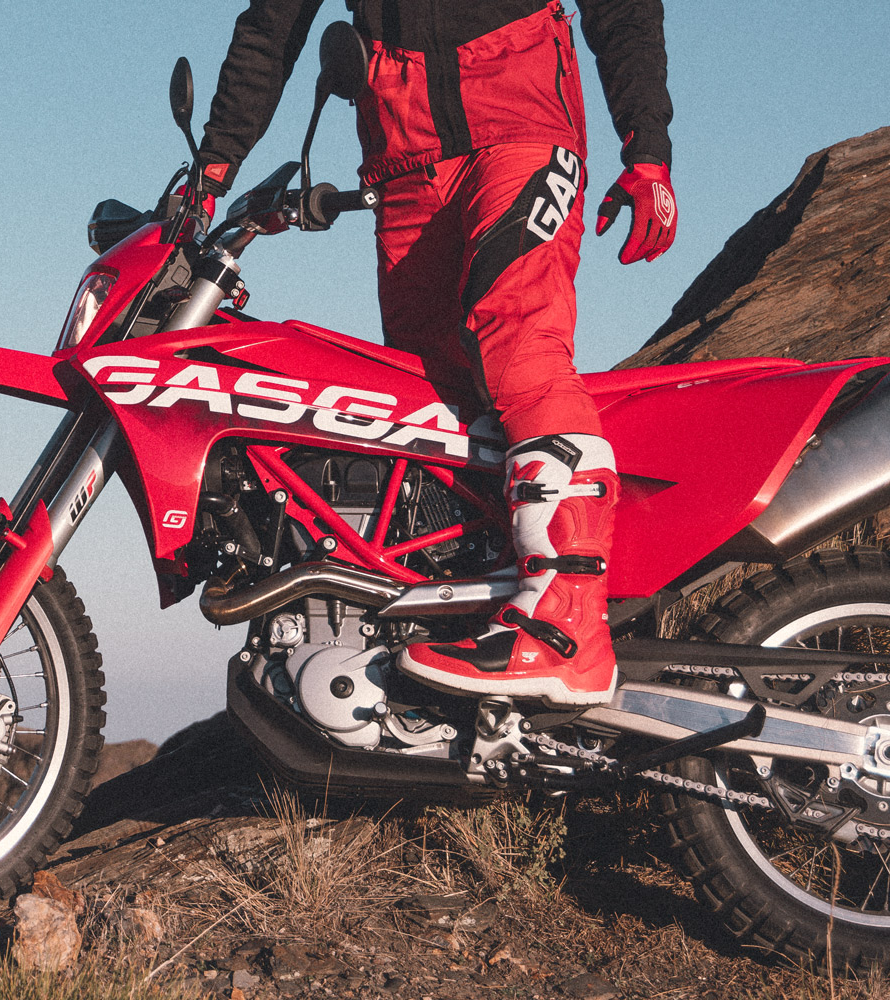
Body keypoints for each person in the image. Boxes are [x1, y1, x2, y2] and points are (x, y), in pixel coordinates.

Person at [198, 0, 676, 708]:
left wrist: (648, 150)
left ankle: (568, 630)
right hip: (402, 162)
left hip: (521, 128)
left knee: (517, 343)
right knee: (429, 407)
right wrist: (213, 165)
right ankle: (461, 627)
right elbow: (273, 22)